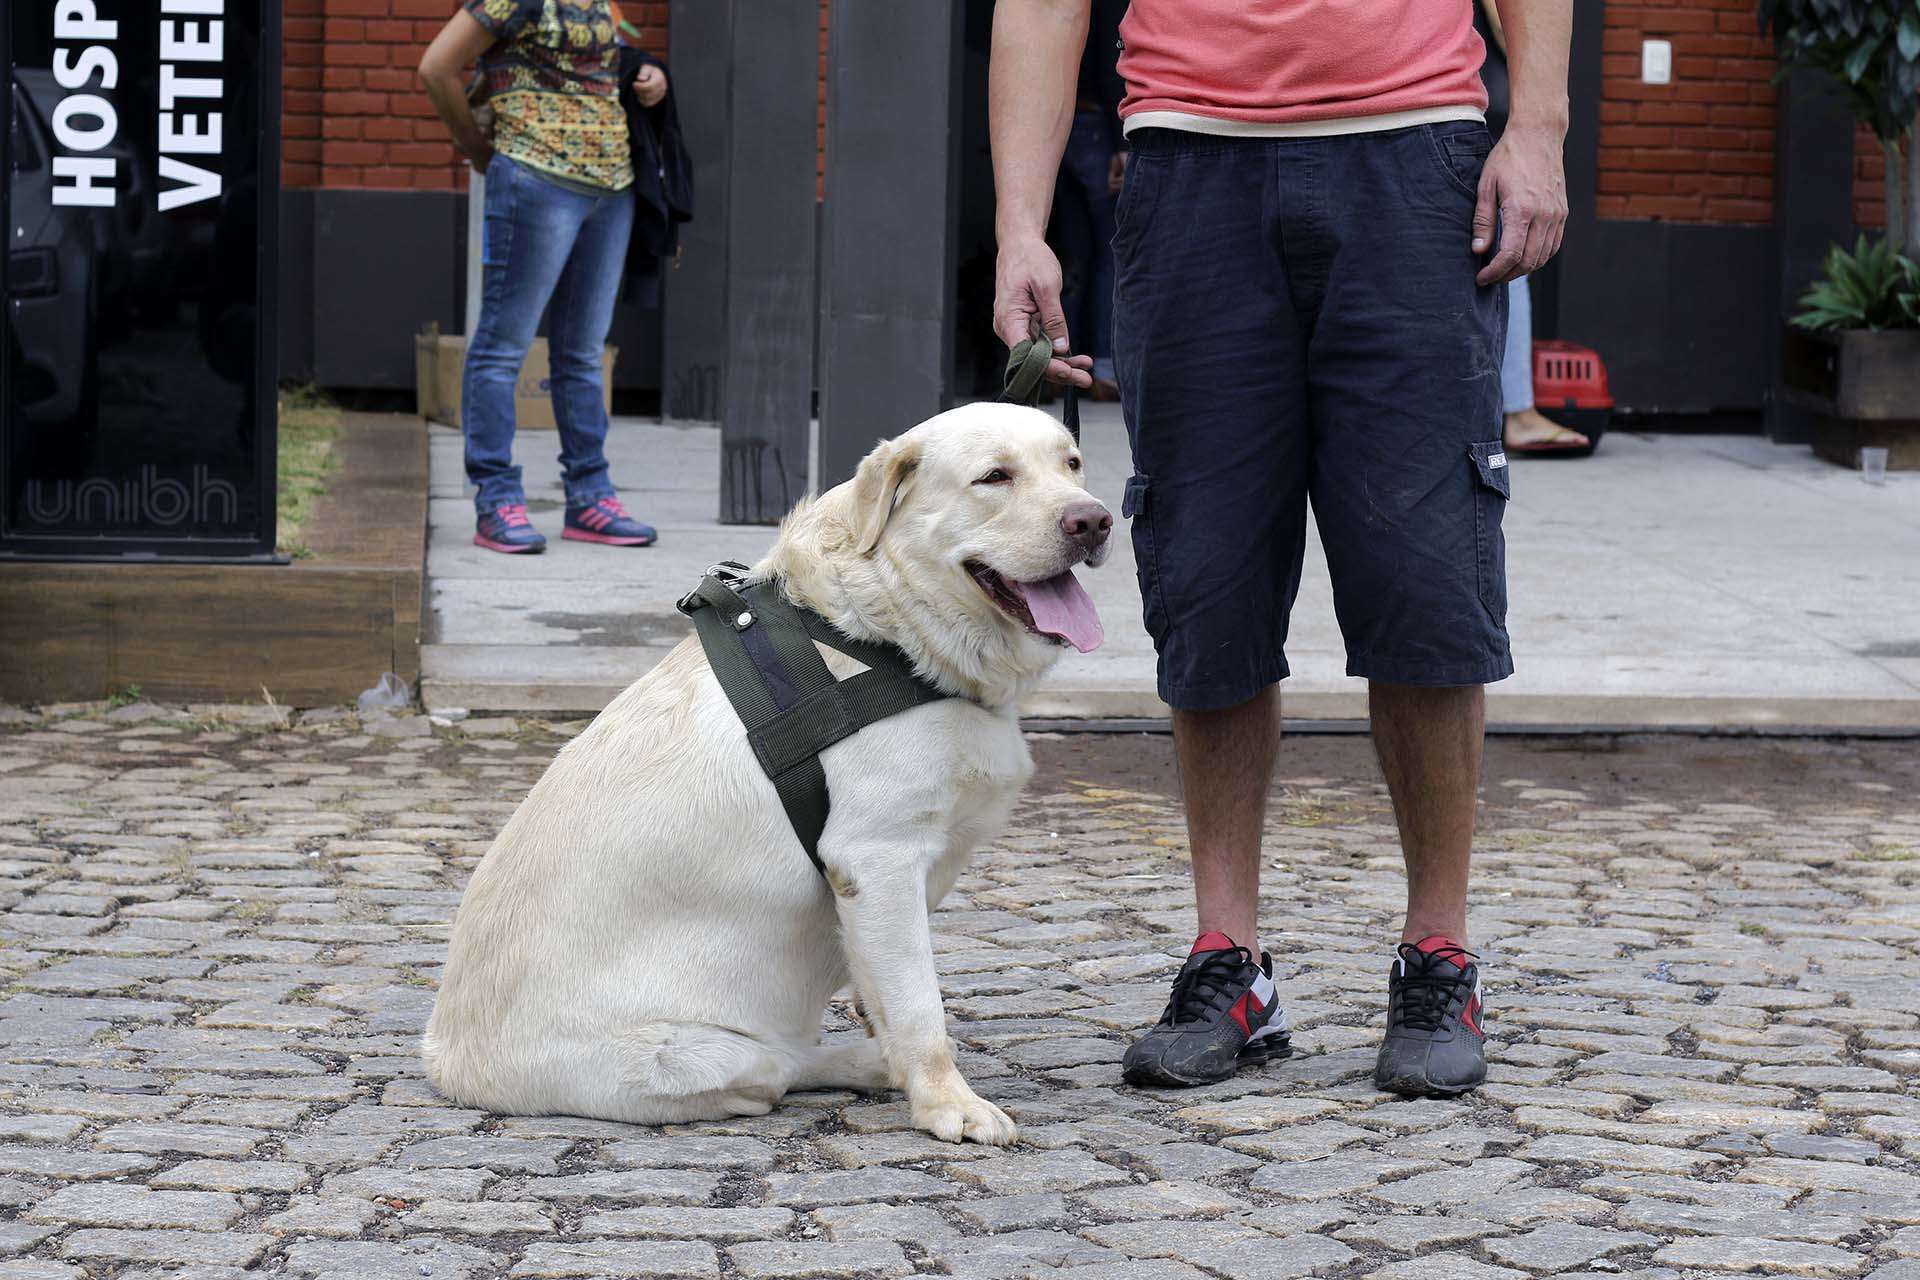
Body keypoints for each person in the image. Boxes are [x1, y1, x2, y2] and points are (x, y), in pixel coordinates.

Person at [990, 0, 1569, 1096]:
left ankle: (1438, 953)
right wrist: (1023, 219)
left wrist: (1534, 127)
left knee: (1425, 570)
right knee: (1209, 575)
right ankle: (1230, 964)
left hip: (1414, 152)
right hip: (1190, 165)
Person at [420, 0, 664, 554]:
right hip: (535, 179)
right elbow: (436, 66)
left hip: (611, 187)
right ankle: (496, 499)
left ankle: (590, 497)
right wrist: (480, 150)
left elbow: (601, 65)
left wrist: (651, 77)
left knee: (581, 351)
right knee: (504, 345)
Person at [1479, 0, 1590, 454]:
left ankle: (1516, 409)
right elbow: (1510, 29)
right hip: (1463, 107)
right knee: (1506, 247)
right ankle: (1518, 413)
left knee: (1501, 246)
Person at [1051, 0, 1128, 400]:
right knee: (1110, 254)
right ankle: (1102, 365)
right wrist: (1121, 140)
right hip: (1097, 124)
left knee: (1074, 255)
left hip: (1058, 124)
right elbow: (1111, 58)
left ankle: (1066, 359)